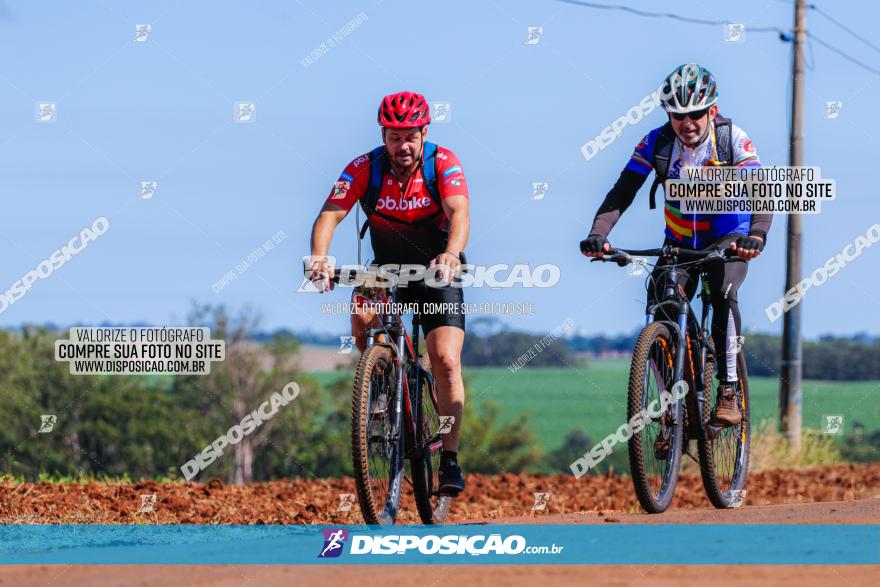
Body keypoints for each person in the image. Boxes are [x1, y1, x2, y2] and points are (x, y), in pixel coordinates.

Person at [581, 63, 772, 429]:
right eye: (678, 115)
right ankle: (673, 403)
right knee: (660, 300)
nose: (688, 123)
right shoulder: (657, 142)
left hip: (728, 239)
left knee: (723, 294)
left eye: (696, 114)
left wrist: (757, 234)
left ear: (711, 111)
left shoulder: (733, 139)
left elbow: (760, 191)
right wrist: (598, 234)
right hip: (680, 242)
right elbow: (623, 190)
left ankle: (728, 389)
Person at [308, 91, 470, 494]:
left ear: (424, 132)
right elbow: (330, 214)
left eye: (410, 136)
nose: (403, 145)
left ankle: (449, 458)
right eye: (394, 137)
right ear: (383, 134)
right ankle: (379, 380)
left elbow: (459, 213)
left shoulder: (442, 163)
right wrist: (319, 257)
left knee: (446, 362)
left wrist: (451, 253)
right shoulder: (365, 167)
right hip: (387, 268)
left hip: (436, 268)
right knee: (363, 314)